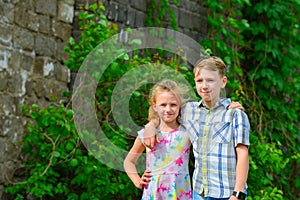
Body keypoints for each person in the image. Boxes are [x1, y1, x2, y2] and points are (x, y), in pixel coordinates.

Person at [144, 56, 250, 200]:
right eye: (200, 81)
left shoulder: (234, 115)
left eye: (210, 80)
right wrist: (150, 125)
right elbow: (165, 114)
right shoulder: (188, 110)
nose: (204, 86)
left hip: (226, 194)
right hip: (198, 193)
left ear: (223, 82)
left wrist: (238, 193)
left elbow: (243, 154)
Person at [123, 80, 193, 200]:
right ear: (155, 106)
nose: (168, 109)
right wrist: (137, 181)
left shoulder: (188, 132)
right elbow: (128, 162)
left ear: (180, 105)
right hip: (153, 194)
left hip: (180, 193)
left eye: (173, 105)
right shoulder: (146, 135)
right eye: (163, 105)